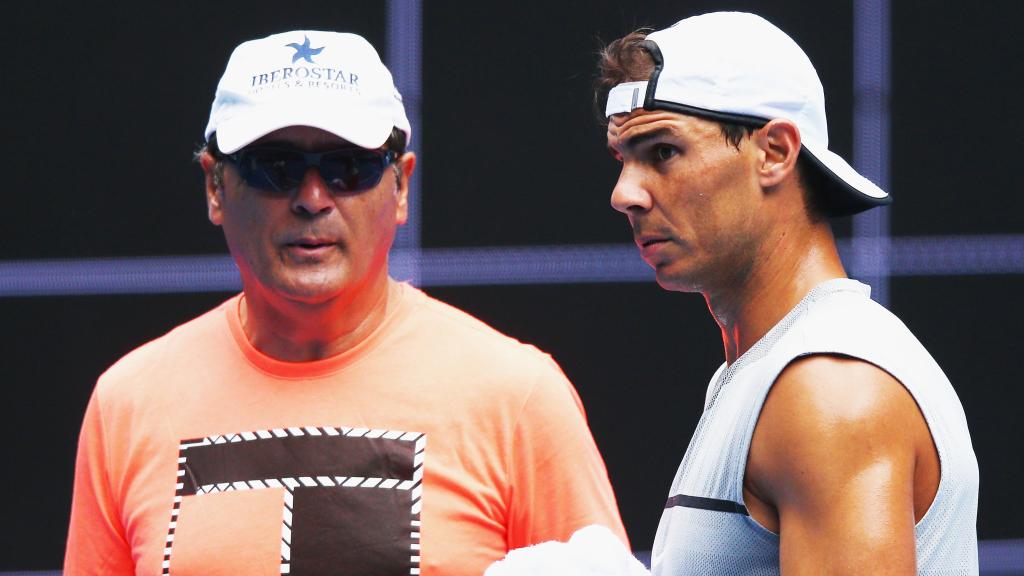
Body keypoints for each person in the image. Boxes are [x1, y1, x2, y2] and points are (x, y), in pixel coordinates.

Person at [65, 30, 626, 575]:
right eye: (274, 167)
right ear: (216, 188)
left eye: (347, 167)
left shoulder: (518, 397)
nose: (312, 199)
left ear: (401, 186)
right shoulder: (129, 403)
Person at [595, 11, 978, 575]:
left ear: (774, 152)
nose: (624, 193)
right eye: (624, 159)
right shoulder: (774, 370)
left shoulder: (828, 386)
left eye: (663, 152)